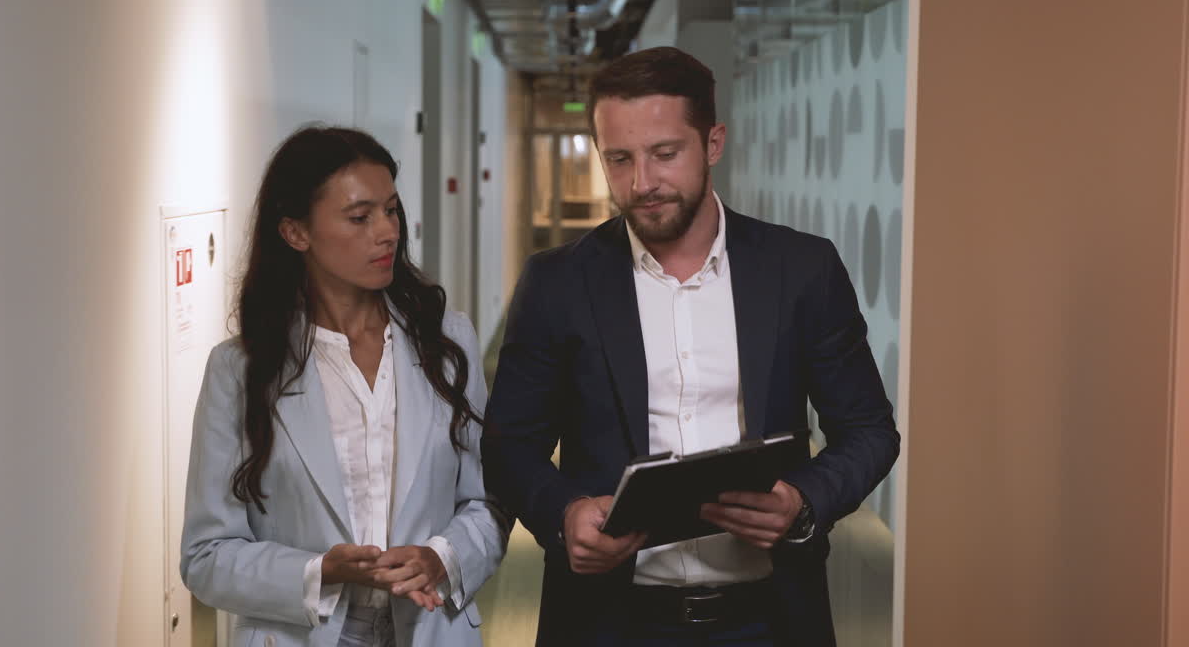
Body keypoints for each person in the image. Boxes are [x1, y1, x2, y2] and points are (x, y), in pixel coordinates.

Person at [482, 46, 899, 646]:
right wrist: (563, 513)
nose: (642, 183)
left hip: (770, 620)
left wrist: (803, 501)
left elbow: (869, 431)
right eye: (619, 159)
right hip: (607, 623)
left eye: (665, 154)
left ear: (713, 144)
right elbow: (509, 446)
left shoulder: (802, 269)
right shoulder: (556, 282)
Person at [181, 126, 508, 647]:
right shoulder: (240, 370)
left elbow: (488, 502)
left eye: (391, 211)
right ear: (296, 233)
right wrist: (318, 573)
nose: (387, 232)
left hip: (430, 631)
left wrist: (442, 558)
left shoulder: (448, 343)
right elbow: (206, 556)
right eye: (360, 217)